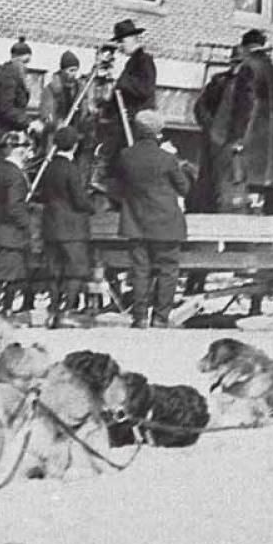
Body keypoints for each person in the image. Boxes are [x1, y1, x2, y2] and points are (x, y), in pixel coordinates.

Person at [115, 110, 190, 328]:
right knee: (168, 270)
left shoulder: (125, 156)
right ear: (158, 132)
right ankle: (160, 317)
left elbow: (118, 185)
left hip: (136, 222)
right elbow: (184, 188)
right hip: (166, 223)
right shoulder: (167, 158)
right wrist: (179, 164)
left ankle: (139, 317)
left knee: (140, 270)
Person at [225, 29, 273, 210]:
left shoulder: (249, 68)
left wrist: (237, 137)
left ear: (245, 47)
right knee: (261, 194)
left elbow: (243, 105)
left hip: (253, 138)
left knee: (242, 191)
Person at [38, 126, 94, 328]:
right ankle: (66, 311)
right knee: (74, 270)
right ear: (75, 145)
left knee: (54, 270)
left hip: (51, 225)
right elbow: (79, 199)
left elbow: (43, 195)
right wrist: (91, 206)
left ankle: (53, 310)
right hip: (72, 227)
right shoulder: (72, 169)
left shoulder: (48, 168)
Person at [95, 19, 156, 192]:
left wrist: (121, 81)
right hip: (123, 121)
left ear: (132, 38)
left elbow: (145, 89)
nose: (120, 46)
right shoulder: (131, 62)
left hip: (135, 123)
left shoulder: (144, 61)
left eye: (122, 41)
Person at [189, 45, 241, 215]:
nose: (237, 67)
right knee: (209, 180)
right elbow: (200, 106)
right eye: (235, 63)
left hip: (235, 142)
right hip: (215, 140)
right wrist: (211, 126)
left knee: (230, 183)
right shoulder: (219, 81)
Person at [0, 130, 34, 313]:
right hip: (13, 231)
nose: (29, 152)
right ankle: (4, 308)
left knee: (2, 270)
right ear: (18, 150)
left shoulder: (0, 170)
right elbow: (14, 205)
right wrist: (26, 222)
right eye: (27, 147)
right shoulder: (15, 174)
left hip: (1, 229)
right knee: (12, 272)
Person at [0, 37, 41, 150]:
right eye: (24, 62)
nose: (26, 67)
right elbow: (6, 108)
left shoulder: (13, 76)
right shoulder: (7, 77)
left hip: (8, 135)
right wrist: (29, 123)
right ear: (15, 60)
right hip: (1, 137)